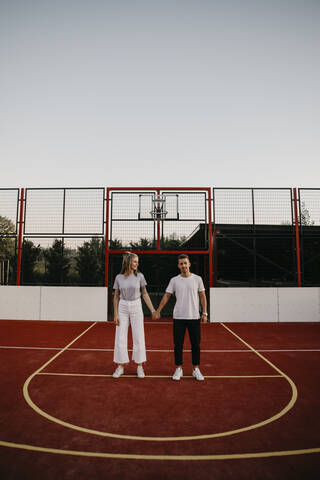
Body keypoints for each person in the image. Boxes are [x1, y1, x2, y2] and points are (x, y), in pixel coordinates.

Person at [155, 254, 208, 381]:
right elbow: (167, 296)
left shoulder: (197, 279)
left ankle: (196, 369)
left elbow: (202, 296)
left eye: (185, 263)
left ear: (189, 264)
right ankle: (179, 368)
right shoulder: (174, 280)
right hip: (178, 317)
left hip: (194, 317)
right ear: (178, 266)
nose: (183, 265)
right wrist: (158, 310)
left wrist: (205, 313)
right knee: (178, 344)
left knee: (196, 344)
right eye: (181, 263)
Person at [112, 252, 156, 379]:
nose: (137, 263)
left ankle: (140, 366)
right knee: (120, 336)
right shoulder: (119, 277)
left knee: (138, 336)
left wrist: (152, 310)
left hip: (136, 305)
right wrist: (115, 314)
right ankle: (120, 366)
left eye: (137, 261)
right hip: (122, 306)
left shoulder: (140, 276)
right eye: (135, 261)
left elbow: (145, 294)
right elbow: (115, 297)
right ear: (128, 262)